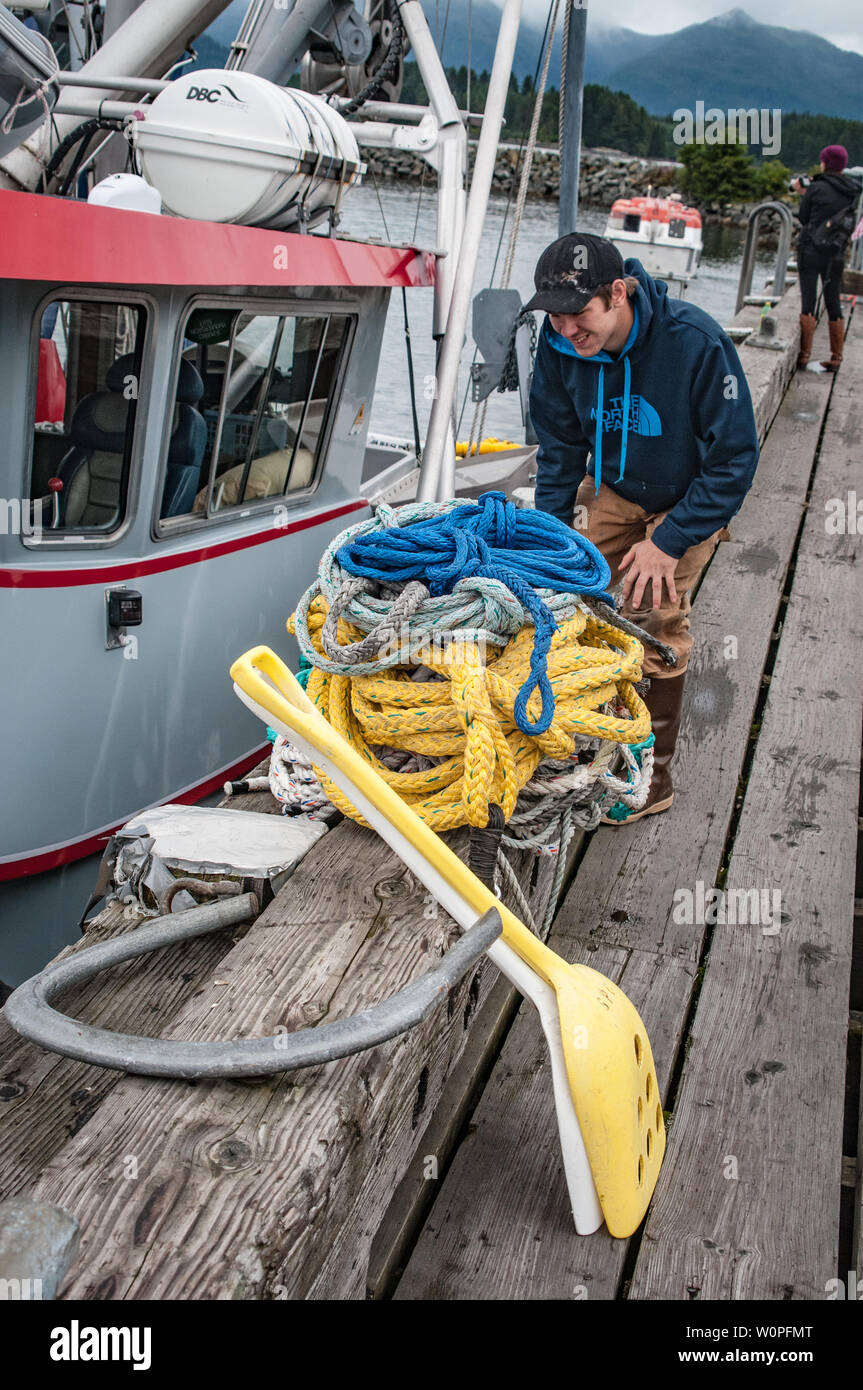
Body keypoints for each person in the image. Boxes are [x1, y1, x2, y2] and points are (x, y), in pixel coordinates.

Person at [527, 232, 759, 825]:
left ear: (619, 293)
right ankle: (585, 740)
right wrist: (551, 538)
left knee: (654, 616)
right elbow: (559, 450)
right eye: (554, 317)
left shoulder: (697, 342)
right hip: (615, 488)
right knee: (576, 600)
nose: (567, 331)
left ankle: (651, 777)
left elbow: (734, 460)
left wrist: (668, 542)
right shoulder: (558, 346)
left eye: (579, 315)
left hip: (689, 497)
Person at [794, 145, 859, 372]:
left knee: (809, 302)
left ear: (825, 163)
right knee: (833, 301)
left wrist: (804, 193)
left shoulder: (817, 187)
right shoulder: (853, 190)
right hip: (835, 254)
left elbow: (803, 218)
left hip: (811, 251)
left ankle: (804, 355)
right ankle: (836, 356)